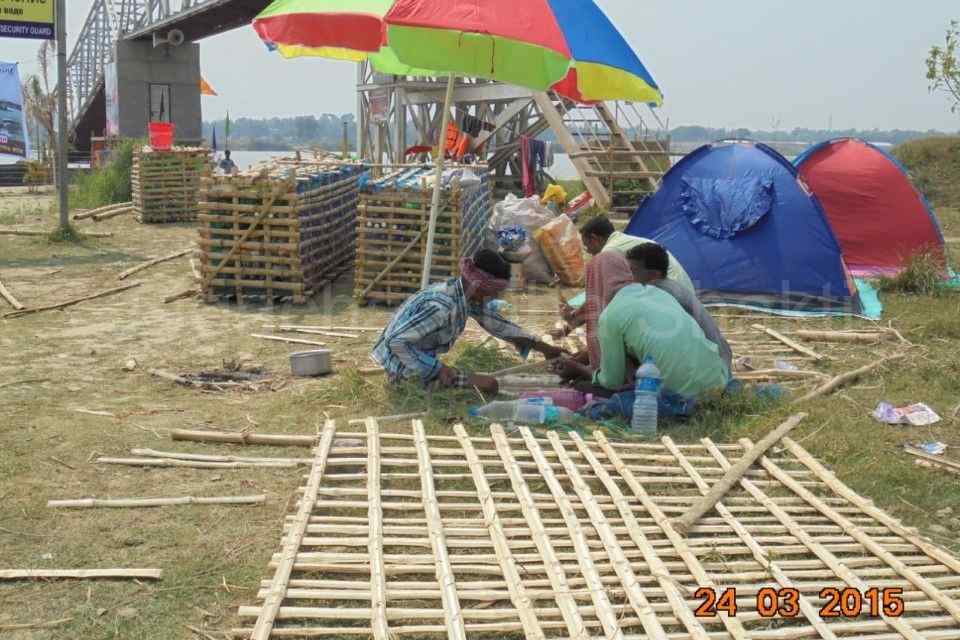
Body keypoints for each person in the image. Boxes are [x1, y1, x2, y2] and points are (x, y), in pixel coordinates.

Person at [371, 249, 563, 393]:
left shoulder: (463, 294)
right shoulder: (442, 306)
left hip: (418, 359)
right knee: (489, 385)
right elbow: (396, 342)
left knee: (488, 383)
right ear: (480, 286)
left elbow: (499, 325)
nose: (496, 295)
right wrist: (440, 369)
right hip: (403, 369)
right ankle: (414, 382)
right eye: (494, 291)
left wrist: (545, 348)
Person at [555, 280, 730, 400]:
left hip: (682, 395)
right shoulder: (659, 295)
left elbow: (611, 381)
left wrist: (579, 369)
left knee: (583, 387)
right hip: (718, 381)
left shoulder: (610, 316)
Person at [625, 242, 733, 372]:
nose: (629, 277)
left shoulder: (660, 295)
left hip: (707, 370)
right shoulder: (672, 287)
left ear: (653, 274)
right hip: (719, 362)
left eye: (633, 271)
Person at [580, 216, 695, 294]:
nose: (589, 251)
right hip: (684, 290)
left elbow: (607, 292)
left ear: (594, 239)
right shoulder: (623, 241)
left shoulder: (609, 251)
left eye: (587, 246)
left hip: (672, 295)